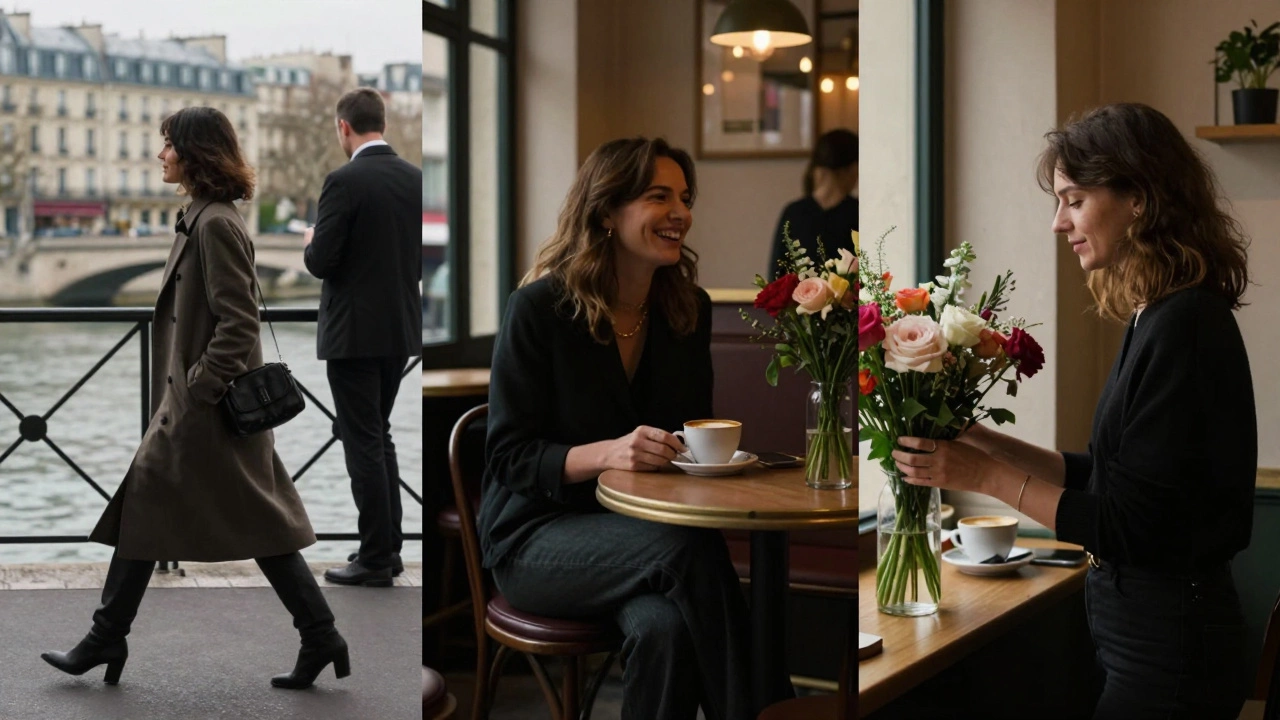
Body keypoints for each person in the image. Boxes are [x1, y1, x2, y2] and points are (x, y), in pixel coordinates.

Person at [891, 103, 1254, 719]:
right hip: (1145, 637)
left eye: (1074, 199)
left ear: (1138, 196)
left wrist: (980, 477)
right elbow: (1113, 479)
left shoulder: (1187, 324)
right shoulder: (1158, 314)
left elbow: (1129, 526)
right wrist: (981, 440)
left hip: (1170, 651)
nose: (1059, 223)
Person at [42, 106, 349, 689]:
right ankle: (319, 634)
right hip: (198, 407)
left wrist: (197, 387)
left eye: (168, 146)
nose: (160, 156)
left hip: (206, 409)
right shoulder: (203, 216)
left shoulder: (214, 224)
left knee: (191, 509)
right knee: (238, 518)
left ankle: (107, 638)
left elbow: (239, 324)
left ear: (194, 152)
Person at [478, 137, 781, 719]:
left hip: (645, 535)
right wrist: (608, 453)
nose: (681, 213)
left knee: (665, 629)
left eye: (685, 198)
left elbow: (689, 437)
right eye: (658, 196)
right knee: (689, 550)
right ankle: (765, 711)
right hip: (534, 539)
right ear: (607, 213)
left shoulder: (684, 310)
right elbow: (509, 457)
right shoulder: (538, 310)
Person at [304, 88, 422, 587]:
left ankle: (374, 557)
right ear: (384, 125)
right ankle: (387, 549)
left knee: (362, 440)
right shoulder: (415, 179)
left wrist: (312, 241)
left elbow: (320, 262)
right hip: (399, 328)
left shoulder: (343, 181)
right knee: (380, 434)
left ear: (343, 127)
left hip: (353, 332)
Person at [767, 128, 858, 278]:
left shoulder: (794, 213)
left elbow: (775, 277)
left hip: (797, 301)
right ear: (853, 168)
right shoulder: (857, 213)